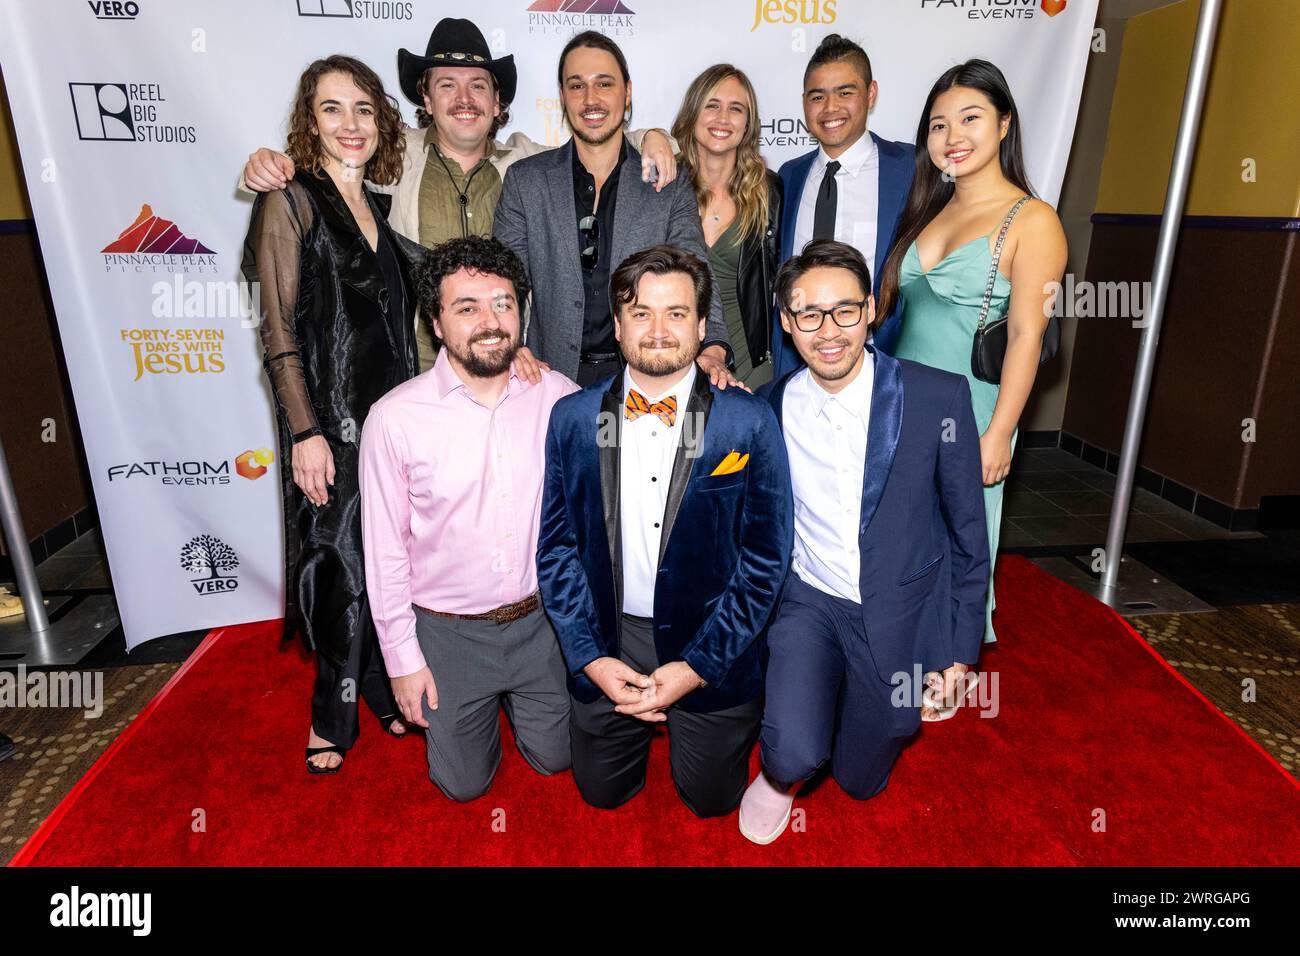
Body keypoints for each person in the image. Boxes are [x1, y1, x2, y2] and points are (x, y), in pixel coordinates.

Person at [241, 18, 678, 374]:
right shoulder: (391, 158)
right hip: (416, 372)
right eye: (448, 84)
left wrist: (656, 137)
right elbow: (333, 158)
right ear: (426, 99)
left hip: (505, 371)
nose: (464, 98)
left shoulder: (528, 164)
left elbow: (598, 137)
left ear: (496, 101)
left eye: (478, 85)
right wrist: (270, 163)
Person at [737, 240, 989, 845]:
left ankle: (857, 715)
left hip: (901, 604)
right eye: (809, 314)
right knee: (794, 753)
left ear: (872, 309)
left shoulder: (938, 398)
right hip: (809, 601)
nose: (829, 331)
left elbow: (968, 535)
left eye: (845, 310)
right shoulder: (768, 408)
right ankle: (780, 773)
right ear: (786, 322)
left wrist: (960, 651)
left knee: (860, 777)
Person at [537, 245, 792, 817]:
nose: (657, 331)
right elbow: (556, 550)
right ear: (619, 324)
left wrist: (698, 665)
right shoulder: (575, 418)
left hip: (712, 635)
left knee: (711, 801)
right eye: (641, 313)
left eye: (676, 313)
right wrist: (591, 659)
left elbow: (766, 561)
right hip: (611, 632)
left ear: (702, 326)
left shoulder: (747, 420)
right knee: (601, 795)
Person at [241, 55, 422, 773]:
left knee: (386, 564)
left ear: (381, 123)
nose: (352, 125)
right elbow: (277, 330)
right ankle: (329, 717)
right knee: (340, 564)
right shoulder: (291, 200)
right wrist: (305, 432)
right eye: (332, 109)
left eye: (364, 110)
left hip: (392, 425)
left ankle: (376, 686)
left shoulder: (376, 205)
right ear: (308, 122)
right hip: (332, 425)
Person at [359, 237, 578, 801]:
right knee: (462, 787)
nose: (490, 322)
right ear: (435, 322)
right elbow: (384, 555)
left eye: (503, 304)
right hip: (448, 632)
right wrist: (403, 663)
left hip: (541, 624)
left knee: (557, 761)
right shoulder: (394, 419)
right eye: (467, 307)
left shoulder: (557, 396)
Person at [879, 59, 1066, 645]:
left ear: (1004, 124)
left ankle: (954, 655)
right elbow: (890, 309)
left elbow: (1027, 337)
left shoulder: (1033, 220)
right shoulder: (929, 206)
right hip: (901, 399)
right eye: (938, 125)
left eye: (970, 118)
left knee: (963, 531)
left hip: (973, 406)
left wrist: (1001, 432)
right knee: (906, 528)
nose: (952, 137)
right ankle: (902, 635)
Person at [493, 32, 739, 389]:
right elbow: (501, 281)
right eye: (576, 86)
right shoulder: (526, 181)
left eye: (604, 84)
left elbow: (695, 270)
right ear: (562, 96)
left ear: (627, 92)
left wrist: (714, 345)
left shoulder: (667, 183)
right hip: (548, 379)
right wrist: (508, 345)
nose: (590, 99)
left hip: (646, 377)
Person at [770, 33, 916, 379]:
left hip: (883, 361)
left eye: (845, 93)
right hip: (795, 362)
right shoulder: (788, 176)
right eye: (817, 96)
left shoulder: (911, 169)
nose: (830, 108)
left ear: (871, 94)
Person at [670, 64, 782, 388]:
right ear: (693, 113)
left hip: (751, 365)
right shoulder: (663, 187)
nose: (723, 118)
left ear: (748, 124)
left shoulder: (770, 193)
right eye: (712, 106)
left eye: (736, 109)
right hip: (674, 361)